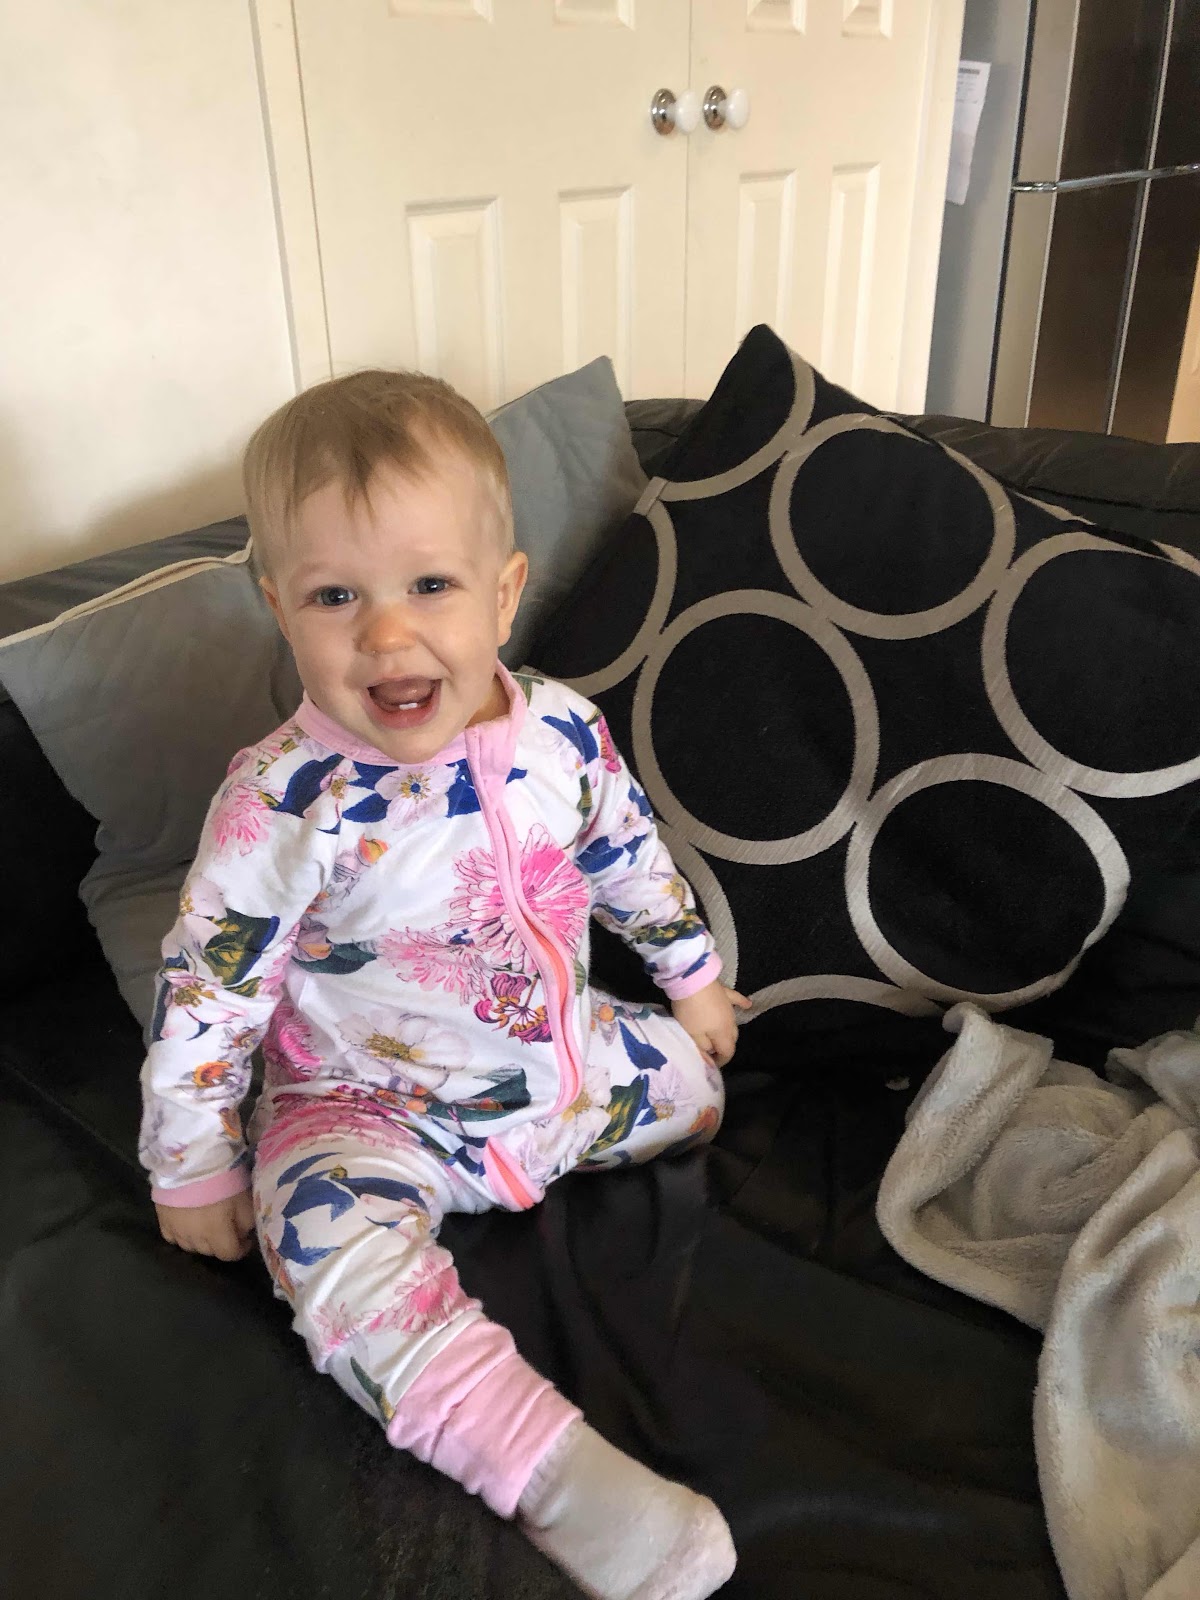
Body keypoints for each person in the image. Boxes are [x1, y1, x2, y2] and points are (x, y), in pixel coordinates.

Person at [140, 369, 748, 1600]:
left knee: (700, 1091)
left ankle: (601, 1110)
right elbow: (209, 987)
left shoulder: (563, 735)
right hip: (363, 1108)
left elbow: (628, 855)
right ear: (280, 607)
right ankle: (560, 1479)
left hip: (557, 1071)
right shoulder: (279, 803)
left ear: (504, 593)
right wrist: (191, 1162)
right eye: (335, 596)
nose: (386, 634)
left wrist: (693, 977)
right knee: (318, 1246)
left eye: (430, 585)